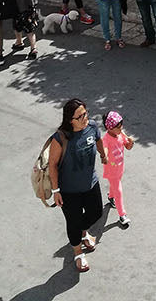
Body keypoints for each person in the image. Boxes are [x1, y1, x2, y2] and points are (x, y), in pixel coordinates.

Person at [47, 98, 108, 273]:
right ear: (69, 120)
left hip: (91, 183)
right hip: (68, 190)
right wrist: (56, 190)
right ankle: (77, 251)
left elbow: (98, 140)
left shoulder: (92, 127)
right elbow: (52, 164)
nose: (84, 118)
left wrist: (103, 155)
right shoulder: (60, 138)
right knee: (73, 221)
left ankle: (82, 231)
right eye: (79, 116)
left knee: (96, 212)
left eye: (85, 113)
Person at [101, 110, 135, 228]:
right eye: (118, 127)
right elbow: (104, 150)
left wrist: (131, 142)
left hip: (120, 168)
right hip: (111, 171)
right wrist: (104, 156)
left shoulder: (120, 134)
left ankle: (111, 197)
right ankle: (122, 215)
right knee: (118, 190)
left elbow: (128, 147)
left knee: (114, 187)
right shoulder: (106, 140)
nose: (121, 129)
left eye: (121, 126)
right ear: (109, 128)